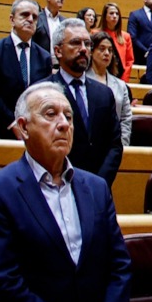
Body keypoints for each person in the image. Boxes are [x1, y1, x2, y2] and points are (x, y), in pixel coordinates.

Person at [0, 84, 132, 302]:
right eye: (50, 114)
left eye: (69, 117)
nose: (64, 123)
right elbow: (4, 282)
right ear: (23, 127)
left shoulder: (96, 188)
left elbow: (120, 268)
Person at [46, 19, 123, 183]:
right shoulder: (44, 92)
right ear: (58, 51)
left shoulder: (104, 93)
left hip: (99, 185)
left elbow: (115, 144)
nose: (83, 49)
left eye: (87, 44)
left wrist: (100, 182)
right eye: (75, 43)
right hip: (58, 182)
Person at [0, 0, 53, 140]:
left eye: (35, 17)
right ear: (12, 20)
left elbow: (45, 96)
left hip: (33, 133)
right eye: (25, 15)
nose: (30, 20)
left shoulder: (44, 57)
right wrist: (13, 123)